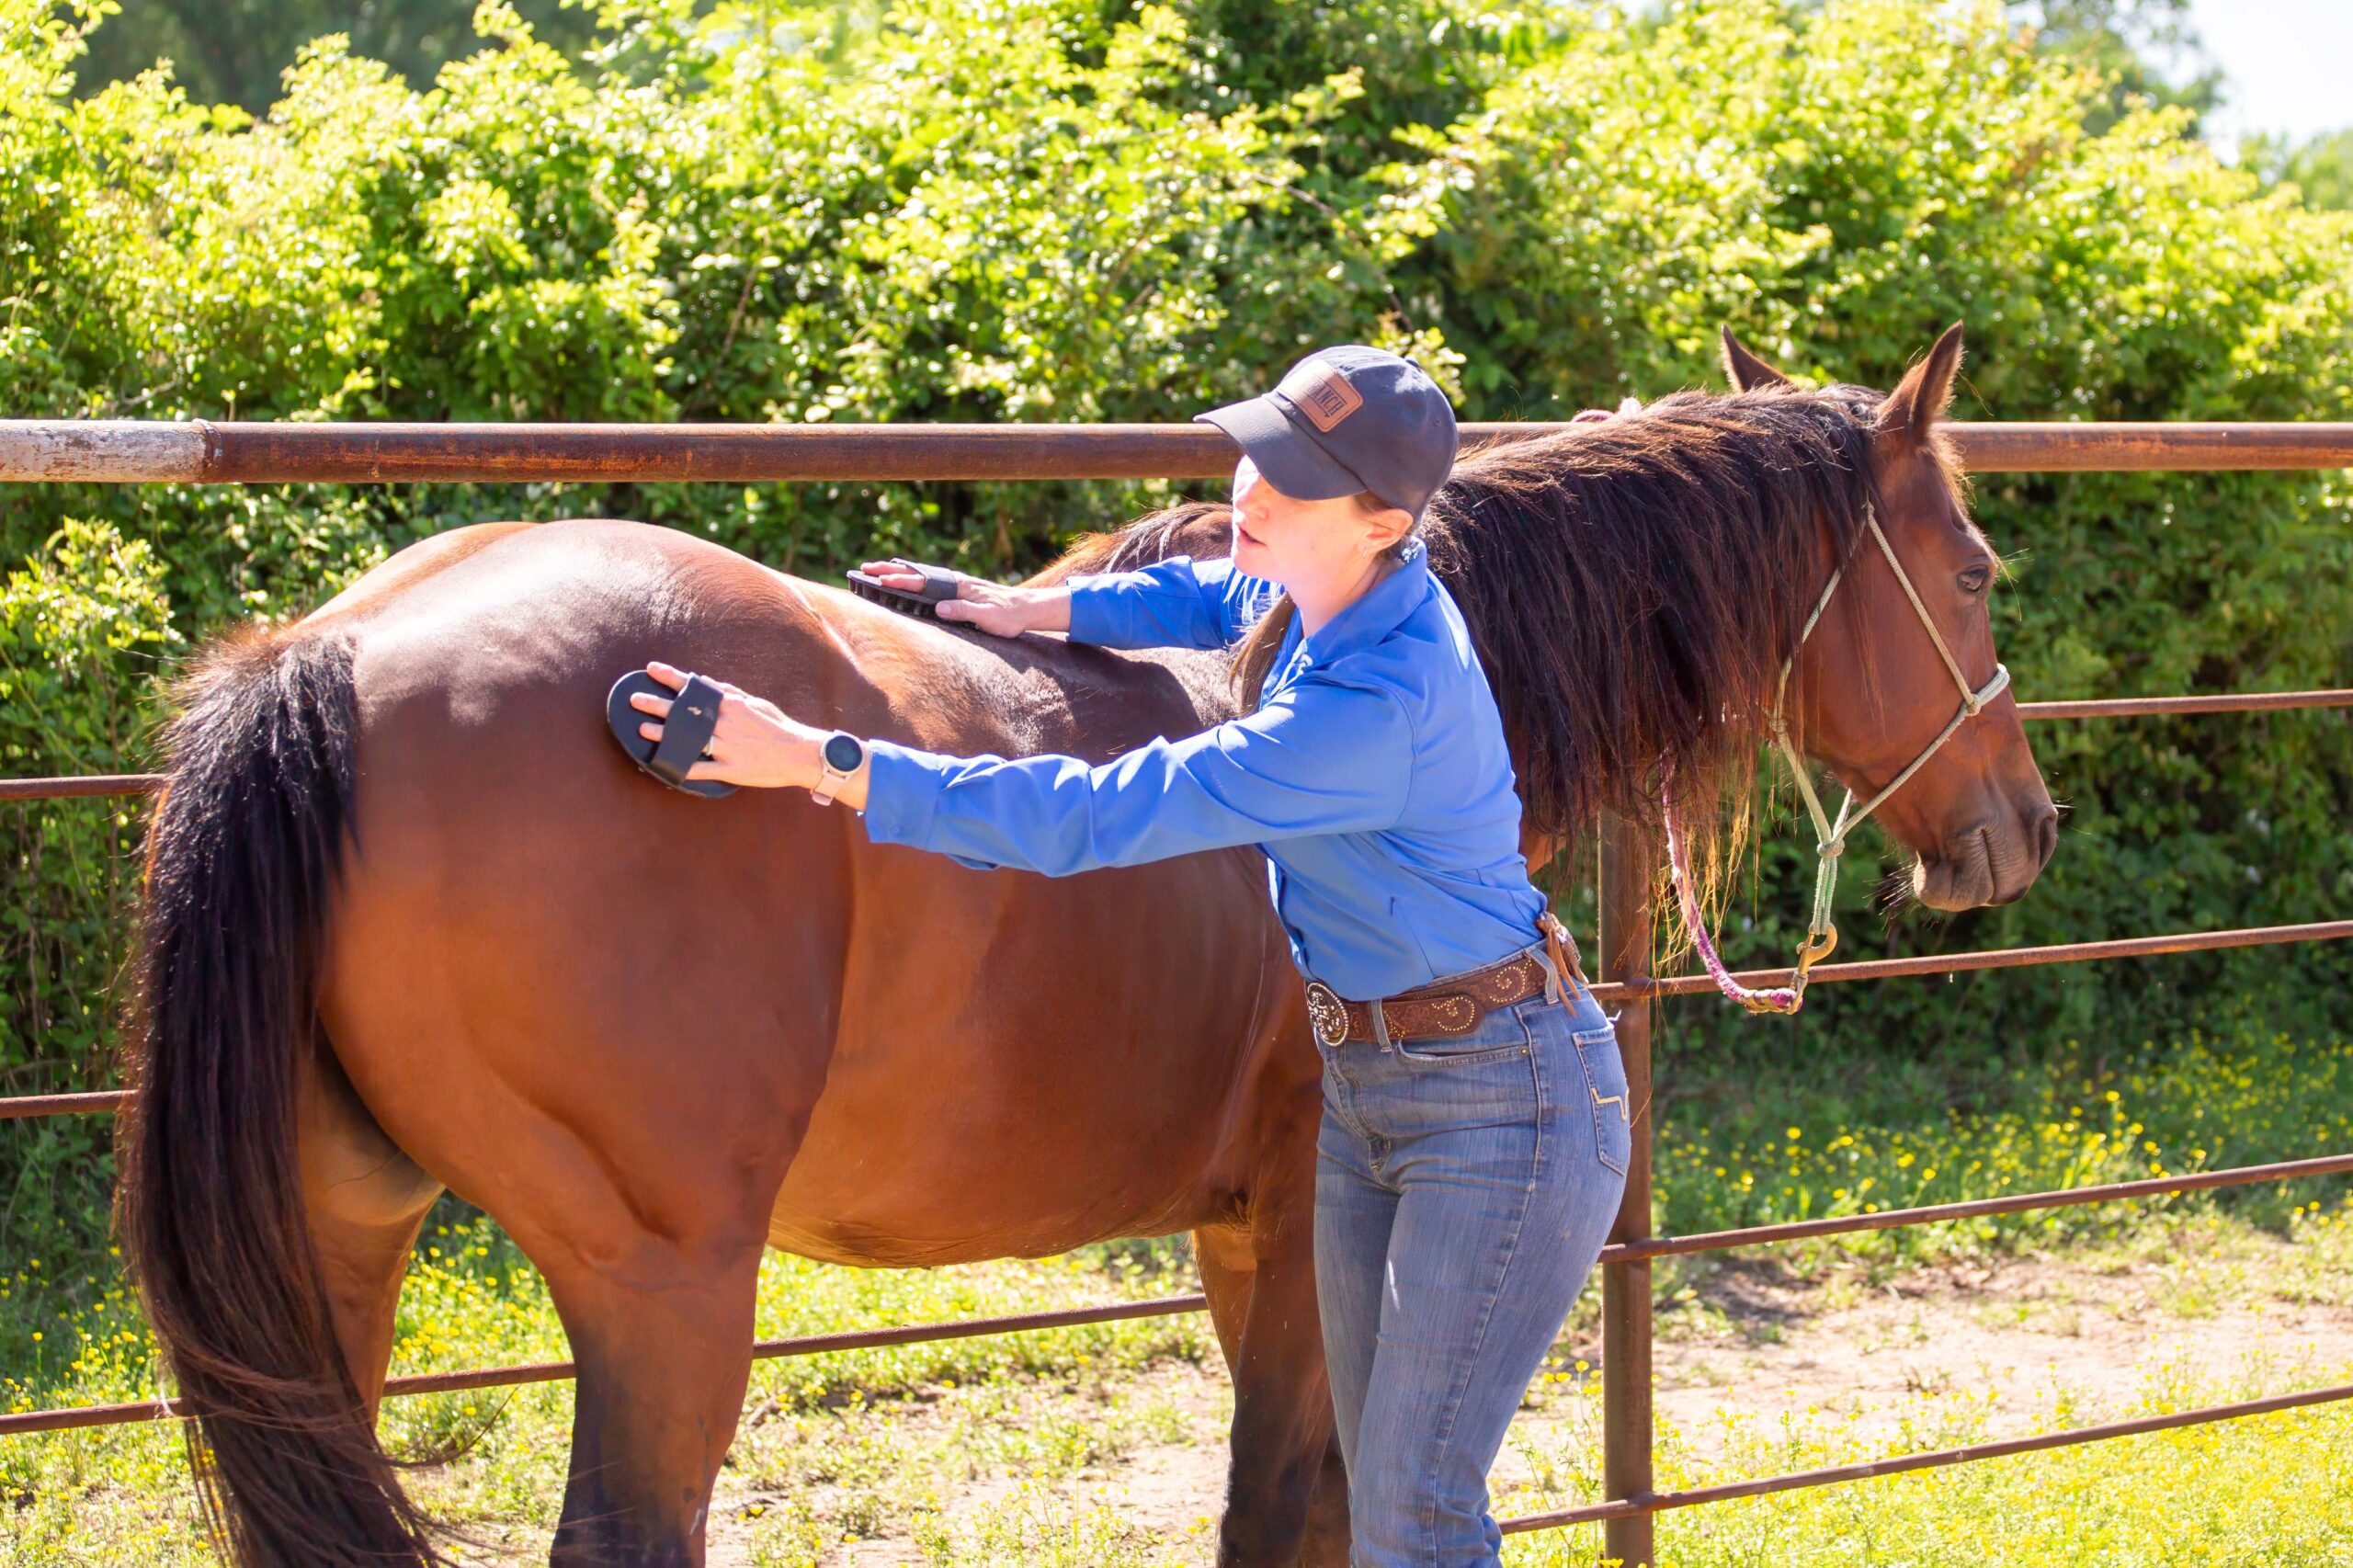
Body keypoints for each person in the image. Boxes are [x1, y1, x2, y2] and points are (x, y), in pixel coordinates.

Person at [627, 345, 1633, 1566]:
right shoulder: (1358, 589)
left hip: (1503, 1111)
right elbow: (1207, 596)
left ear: (1380, 516)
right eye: (1257, 453)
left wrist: (820, 761)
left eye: (1293, 480)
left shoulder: (1368, 709)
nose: (1251, 491)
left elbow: (1092, 813)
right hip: (1379, 1084)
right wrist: (1027, 609)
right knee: (1375, 1489)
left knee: (1419, 1513)